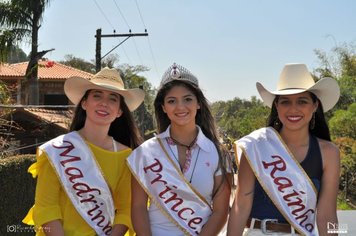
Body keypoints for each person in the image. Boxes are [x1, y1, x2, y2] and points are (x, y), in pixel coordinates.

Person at [22, 67, 145, 236]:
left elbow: (125, 211)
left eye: (112, 98)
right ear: (84, 103)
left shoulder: (126, 156)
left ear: (119, 111)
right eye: (97, 95)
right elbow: (47, 208)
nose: (104, 103)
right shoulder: (57, 150)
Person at [227, 63, 340, 235]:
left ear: (315, 105)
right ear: (276, 106)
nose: (293, 109)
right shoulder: (256, 146)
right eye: (285, 102)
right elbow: (240, 206)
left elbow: (328, 215)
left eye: (302, 101)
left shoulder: (329, 153)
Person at [127, 63, 232, 236]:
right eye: (171, 101)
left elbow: (221, 211)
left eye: (188, 99)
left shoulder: (218, 153)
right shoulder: (145, 153)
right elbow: (138, 207)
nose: (180, 106)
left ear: (198, 104)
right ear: (163, 107)